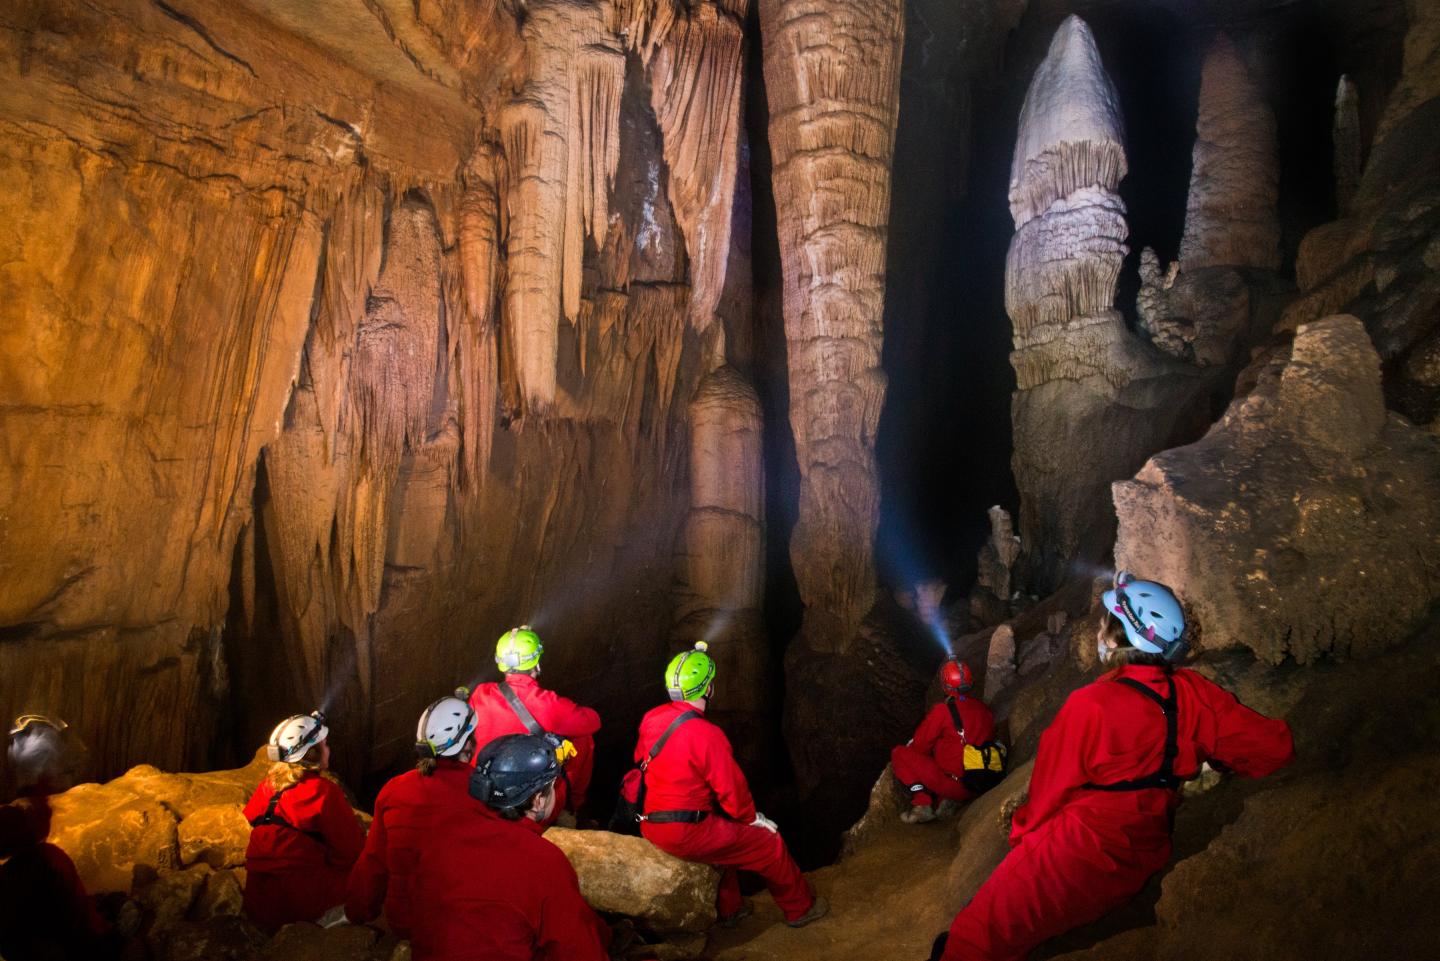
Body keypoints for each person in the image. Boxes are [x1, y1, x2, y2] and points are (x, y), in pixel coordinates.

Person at [931, 573, 1295, 961]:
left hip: (1079, 853)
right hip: (1143, 849)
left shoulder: (1092, 705)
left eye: (1107, 621)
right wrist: (1220, 765)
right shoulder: (1192, 692)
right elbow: (1273, 747)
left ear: (1121, 637)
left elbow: (1047, 795)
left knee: (971, 937)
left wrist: (1021, 839)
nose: (1101, 628)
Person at [629, 641, 828, 929]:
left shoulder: (652, 718)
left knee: (723, 835)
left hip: (649, 822)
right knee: (767, 844)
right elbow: (731, 789)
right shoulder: (707, 734)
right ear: (708, 688)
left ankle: (731, 908)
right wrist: (753, 819)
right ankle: (800, 909)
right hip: (684, 832)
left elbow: (640, 760)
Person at [399, 733, 609, 960]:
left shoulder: (438, 838)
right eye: (552, 786)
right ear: (538, 800)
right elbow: (580, 951)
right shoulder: (544, 861)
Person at [346, 690, 479, 938]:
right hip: (460, 924)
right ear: (468, 744)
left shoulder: (394, 790)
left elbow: (373, 860)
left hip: (405, 922)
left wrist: (358, 912)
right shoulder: (481, 792)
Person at [243, 711, 365, 932]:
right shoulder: (323, 791)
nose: (328, 749)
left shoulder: (267, 787)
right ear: (312, 754)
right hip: (300, 903)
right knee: (374, 875)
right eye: (324, 744)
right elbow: (351, 852)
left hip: (258, 902)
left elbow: (253, 819)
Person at [468, 626, 600, 824]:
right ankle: (572, 807)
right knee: (583, 738)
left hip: (485, 792)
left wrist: (516, 640)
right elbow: (592, 722)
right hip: (525, 804)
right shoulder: (548, 704)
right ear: (536, 664)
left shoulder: (481, 694)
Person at [891, 659, 997, 823]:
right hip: (978, 782)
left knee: (899, 753)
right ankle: (946, 801)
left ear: (944, 685)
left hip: (953, 784)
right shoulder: (984, 710)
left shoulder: (943, 712)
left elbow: (920, 746)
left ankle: (922, 803)